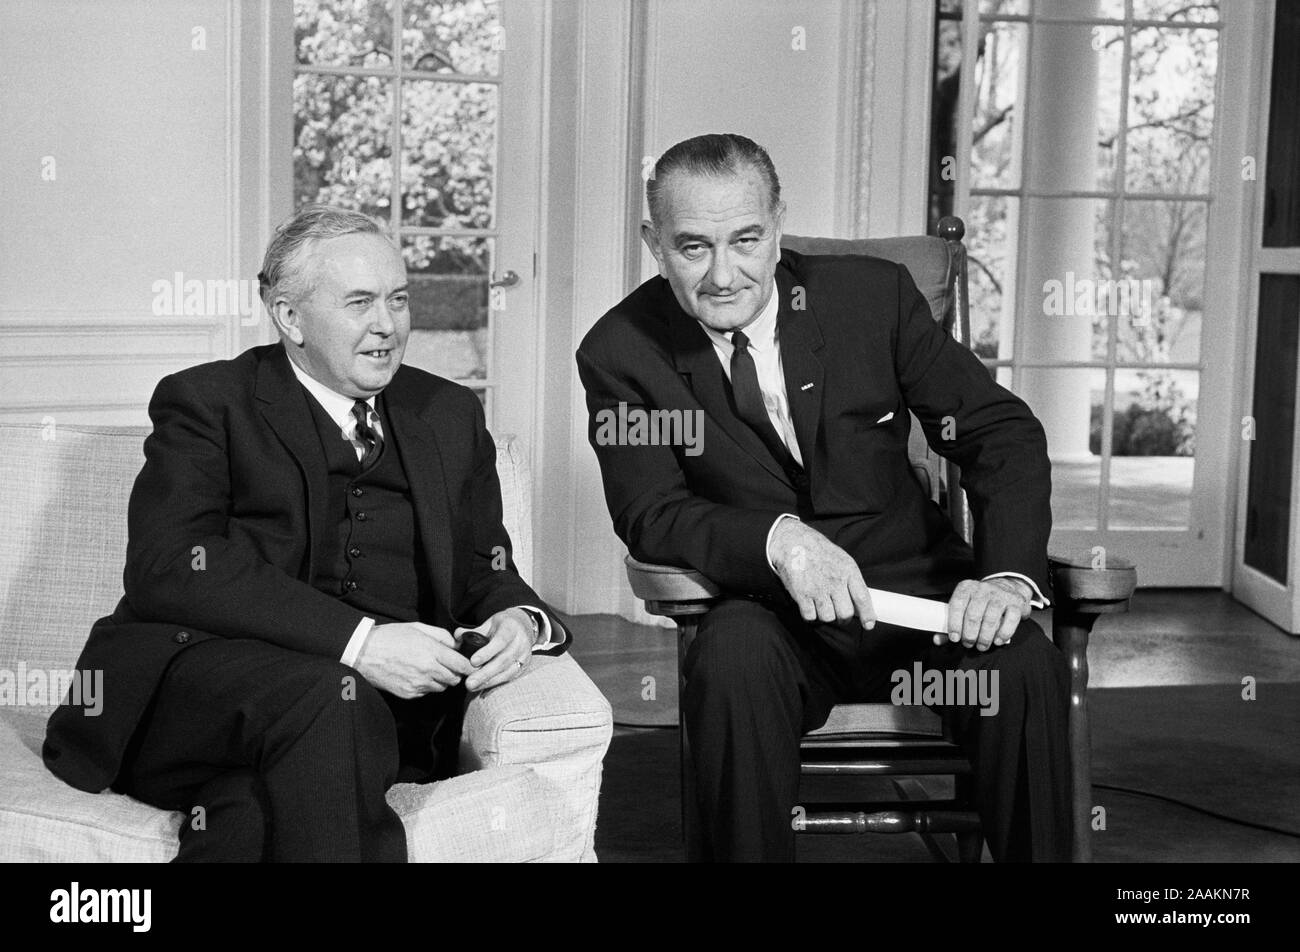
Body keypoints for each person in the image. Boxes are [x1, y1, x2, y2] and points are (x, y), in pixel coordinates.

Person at [576, 133, 1069, 862]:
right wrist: (780, 541)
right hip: (774, 621)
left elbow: (1002, 435)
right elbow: (653, 512)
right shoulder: (620, 352)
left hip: (922, 616)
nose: (723, 274)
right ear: (653, 243)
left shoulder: (870, 300)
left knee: (1020, 662)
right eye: (692, 247)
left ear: (777, 225)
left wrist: (1006, 577)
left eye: (746, 239)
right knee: (731, 660)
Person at [43, 204, 570, 862]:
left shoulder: (448, 413)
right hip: (202, 699)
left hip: (374, 727)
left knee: (244, 819)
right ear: (289, 316)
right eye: (360, 303)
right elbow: (170, 564)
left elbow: (482, 565)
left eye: (399, 299)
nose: (388, 325)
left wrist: (519, 619)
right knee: (327, 696)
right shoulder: (209, 403)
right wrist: (361, 643)